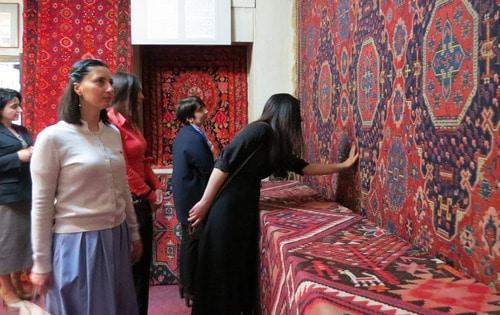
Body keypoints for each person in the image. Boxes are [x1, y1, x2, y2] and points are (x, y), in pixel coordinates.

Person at [188, 93, 359, 314]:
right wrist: (204, 203)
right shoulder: (260, 130)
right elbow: (223, 163)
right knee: (221, 270)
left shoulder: (275, 141)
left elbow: (304, 168)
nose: (300, 122)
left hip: (244, 208)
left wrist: (343, 166)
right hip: (227, 208)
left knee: (235, 269)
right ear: (286, 115)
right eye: (297, 117)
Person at [29, 59, 142, 315]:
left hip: (116, 234)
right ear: (78, 87)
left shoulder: (112, 133)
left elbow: (123, 186)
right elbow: (41, 204)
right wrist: (40, 262)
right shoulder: (53, 137)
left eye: (111, 82)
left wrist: (133, 232)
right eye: (99, 81)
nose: (109, 88)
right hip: (77, 241)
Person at [107, 72, 163, 315]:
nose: (141, 96)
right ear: (125, 94)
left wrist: (156, 186)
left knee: (141, 269)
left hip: (141, 201)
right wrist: (148, 194)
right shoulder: (110, 125)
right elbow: (123, 168)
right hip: (129, 203)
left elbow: (142, 161)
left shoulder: (129, 123)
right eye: (137, 91)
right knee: (131, 269)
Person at [172, 96, 214, 306]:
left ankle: (188, 287)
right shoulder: (192, 137)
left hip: (189, 197)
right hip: (193, 198)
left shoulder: (189, 134)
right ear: (189, 117)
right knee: (193, 242)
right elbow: (207, 167)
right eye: (200, 110)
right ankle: (192, 289)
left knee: (191, 242)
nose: (205, 111)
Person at [0, 88, 33, 310]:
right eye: (13, 106)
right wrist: (17, 157)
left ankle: (15, 282)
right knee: (5, 245)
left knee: (20, 242)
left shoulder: (20, 130)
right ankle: (5, 289)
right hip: (5, 196)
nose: (18, 110)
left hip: (26, 192)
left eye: (19, 105)